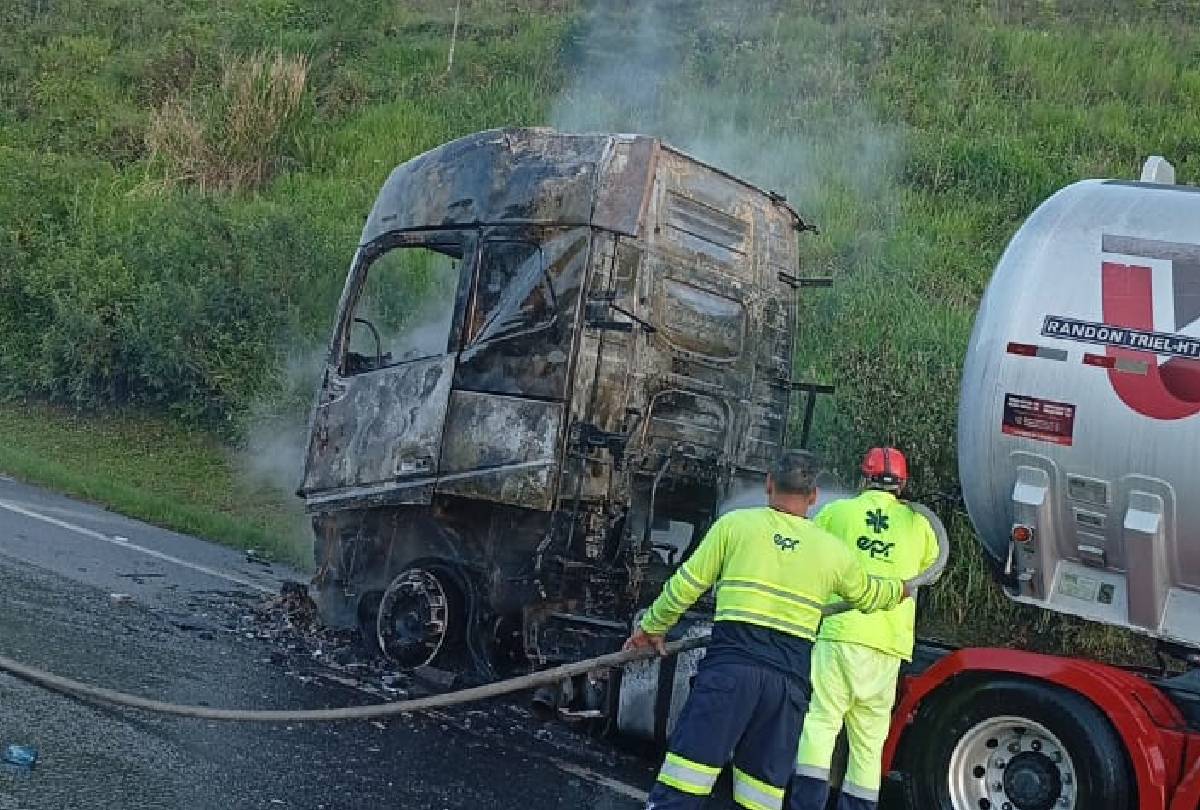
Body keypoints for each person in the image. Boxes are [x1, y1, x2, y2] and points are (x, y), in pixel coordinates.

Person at [624, 450, 913, 810]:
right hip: (785, 690)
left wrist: (652, 628)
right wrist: (899, 589)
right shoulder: (832, 552)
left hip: (729, 673)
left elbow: (685, 585)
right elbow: (871, 595)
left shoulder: (734, 527)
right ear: (813, 497)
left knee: (684, 779)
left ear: (769, 484)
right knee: (759, 798)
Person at [791, 447, 941, 810]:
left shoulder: (837, 512)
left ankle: (806, 804)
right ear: (902, 484)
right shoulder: (919, 525)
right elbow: (930, 567)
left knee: (821, 723)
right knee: (869, 743)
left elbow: (809, 554)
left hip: (839, 631)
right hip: (888, 643)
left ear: (864, 477)